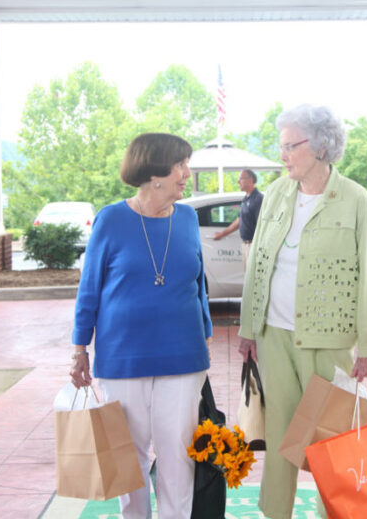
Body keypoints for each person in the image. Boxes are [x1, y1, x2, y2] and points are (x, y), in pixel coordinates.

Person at [238, 104, 367, 519]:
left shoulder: (355, 199)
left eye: (290, 146)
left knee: (331, 443)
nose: (282, 155)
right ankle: (275, 514)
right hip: (273, 336)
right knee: (280, 437)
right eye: (281, 146)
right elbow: (258, 266)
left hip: (328, 341)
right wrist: (249, 329)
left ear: (321, 146)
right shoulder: (277, 195)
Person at [70, 133, 212, 519]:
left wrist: (206, 334)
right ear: (154, 174)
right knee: (128, 456)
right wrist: (80, 348)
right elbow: (90, 288)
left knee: (177, 454)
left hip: (184, 355)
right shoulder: (111, 219)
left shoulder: (186, 217)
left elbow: (198, 282)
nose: (187, 172)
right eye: (180, 164)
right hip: (122, 357)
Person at [213, 169, 264, 268]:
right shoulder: (246, 199)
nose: (238, 181)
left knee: (254, 279)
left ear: (250, 180)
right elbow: (239, 220)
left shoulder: (258, 199)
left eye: (240, 178)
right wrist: (222, 234)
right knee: (248, 277)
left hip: (255, 246)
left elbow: (261, 225)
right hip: (246, 245)